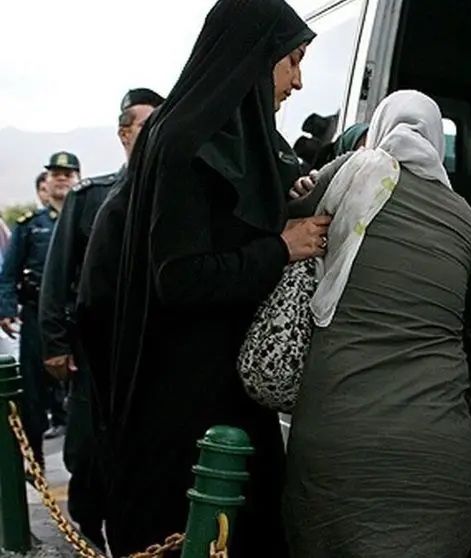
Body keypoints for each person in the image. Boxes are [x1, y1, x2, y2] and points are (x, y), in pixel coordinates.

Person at [98, 1, 325, 555]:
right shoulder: (182, 143)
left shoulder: (244, 140)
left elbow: (237, 214)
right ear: (253, 57)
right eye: (291, 60)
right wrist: (281, 247)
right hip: (185, 405)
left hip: (235, 390)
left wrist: (288, 196)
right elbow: (178, 277)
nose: (298, 81)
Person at [283, 90, 471, 557]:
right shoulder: (469, 223)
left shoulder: (348, 175)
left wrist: (298, 192)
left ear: (379, 130)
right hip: (437, 445)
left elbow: (278, 232)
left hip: (335, 433)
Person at [38, 88, 163, 552]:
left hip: (150, 354)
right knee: (87, 456)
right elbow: (58, 274)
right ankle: (88, 536)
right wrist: (54, 342)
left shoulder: (174, 195)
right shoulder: (91, 199)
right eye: (146, 126)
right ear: (124, 133)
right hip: (96, 352)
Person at [0, 152, 79, 468]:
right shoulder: (30, 226)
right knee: (31, 395)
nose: (61, 178)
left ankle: (80, 465)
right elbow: (8, 272)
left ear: (77, 179)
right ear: (46, 181)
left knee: (76, 394)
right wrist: (5, 308)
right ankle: (35, 464)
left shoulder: (87, 219)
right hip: (35, 317)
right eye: (55, 173)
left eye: (67, 173)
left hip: (74, 317)